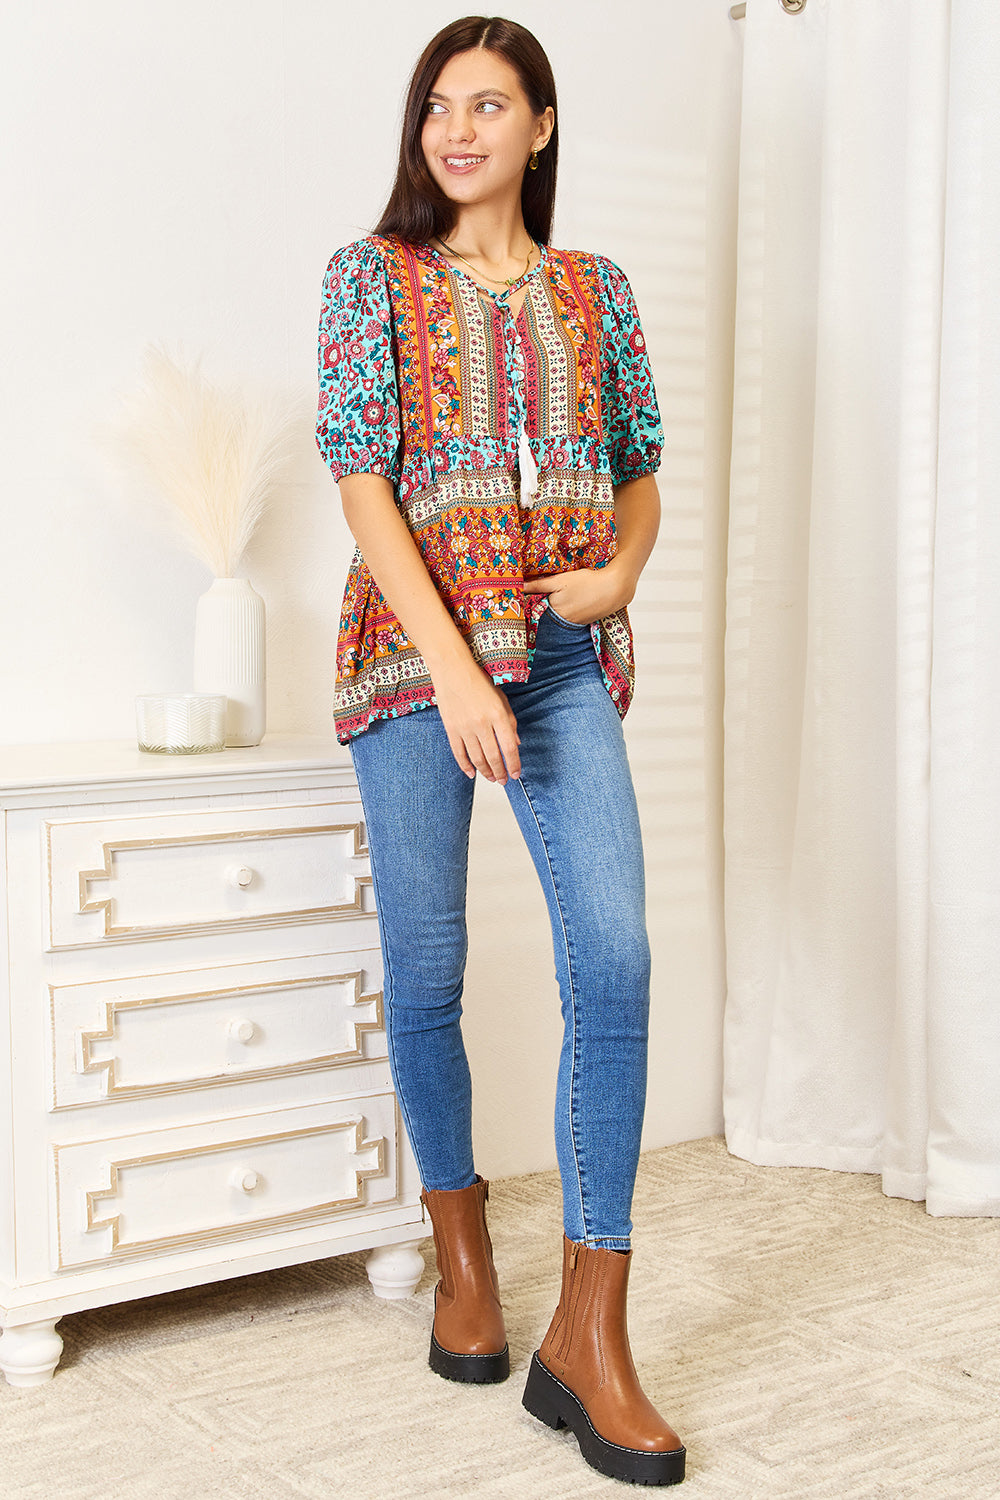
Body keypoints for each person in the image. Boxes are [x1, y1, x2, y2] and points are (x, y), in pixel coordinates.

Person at [316, 14, 685, 1488]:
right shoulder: (369, 279)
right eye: (437, 107)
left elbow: (642, 465)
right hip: (415, 663)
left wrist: (623, 576)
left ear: (540, 126)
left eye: (489, 104)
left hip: (565, 656)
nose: (458, 129)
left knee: (616, 954)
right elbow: (361, 487)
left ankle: (588, 1327)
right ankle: (462, 1262)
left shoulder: (600, 290)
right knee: (432, 968)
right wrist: (457, 670)